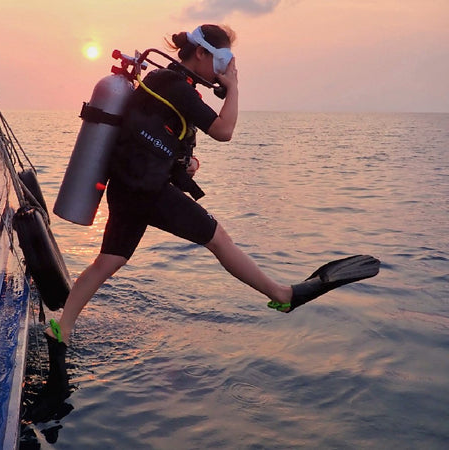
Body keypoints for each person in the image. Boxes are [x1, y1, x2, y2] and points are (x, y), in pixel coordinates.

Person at [44, 25, 379, 353]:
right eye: (221, 62)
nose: (223, 71)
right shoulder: (177, 87)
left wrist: (187, 164)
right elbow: (224, 131)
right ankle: (282, 296)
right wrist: (233, 88)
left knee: (109, 260)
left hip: (128, 184)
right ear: (201, 53)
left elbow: (164, 139)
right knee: (218, 239)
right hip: (146, 190)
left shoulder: (167, 83)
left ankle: (62, 328)